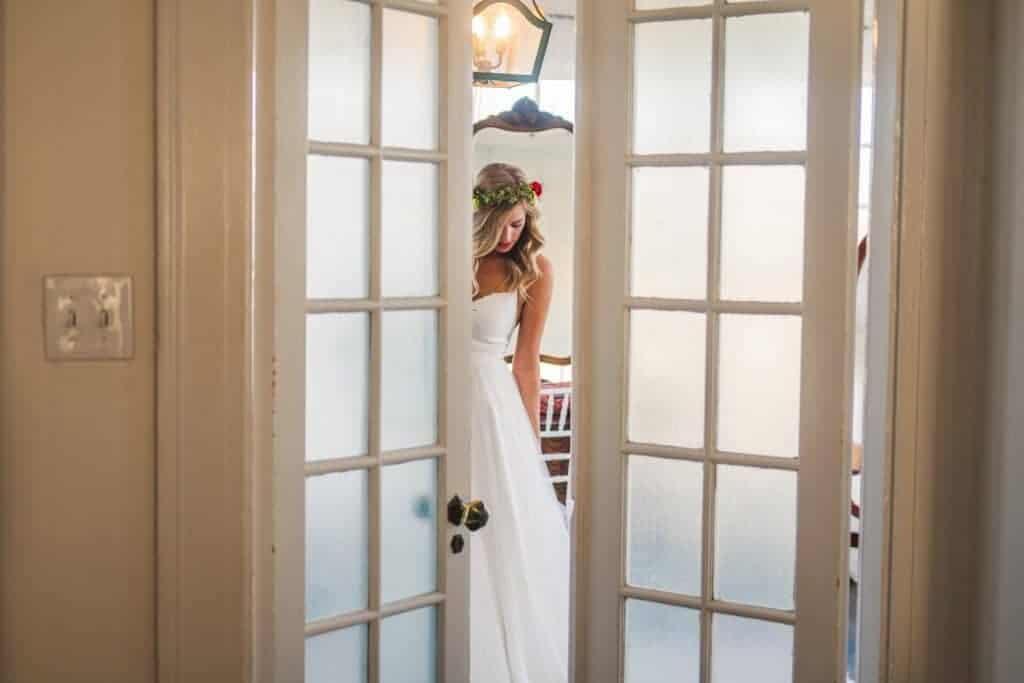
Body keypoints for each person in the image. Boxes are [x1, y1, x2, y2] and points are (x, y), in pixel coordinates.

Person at [469, 163, 569, 683]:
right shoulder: (447, 254)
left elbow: (526, 363)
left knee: (498, 525)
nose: (512, 235)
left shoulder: (533, 270)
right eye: (504, 224)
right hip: (434, 400)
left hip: (492, 406)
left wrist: (530, 446)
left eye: (519, 223)